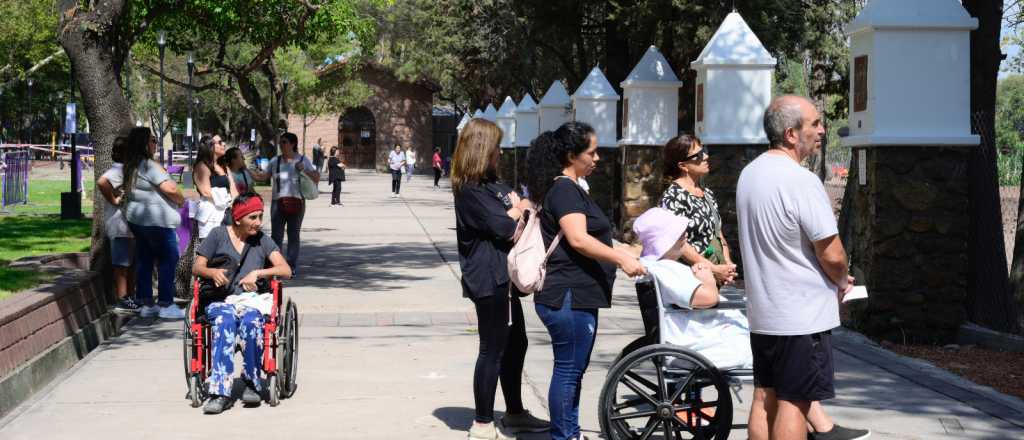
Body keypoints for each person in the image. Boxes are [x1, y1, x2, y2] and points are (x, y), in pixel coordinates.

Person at [737, 95, 868, 440]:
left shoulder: (749, 174)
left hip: (764, 310)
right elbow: (832, 252)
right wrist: (841, 280)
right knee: (794, 401)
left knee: (765, 392)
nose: (822, 130)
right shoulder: (801, 180)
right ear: (791, 134)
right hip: (800, 313)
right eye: (814, 124)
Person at [524, 122, 646, 440]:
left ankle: (570, 432)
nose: (597, 159)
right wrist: (620, 258)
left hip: (575, 295)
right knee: (568, 370)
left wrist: (629, 250)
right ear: (571, 155)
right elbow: (578, 239)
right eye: (591, 153)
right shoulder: (564, 189)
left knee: (572, 370)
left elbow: (590, 237)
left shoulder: (571, 188)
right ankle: (564, 435)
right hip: (568, 296)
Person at [453, 119, 548, 440]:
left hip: (504, 278)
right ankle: (481, 422)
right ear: (482, 149)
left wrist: (518, 207)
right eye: (496, 147)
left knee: (516, 343)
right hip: (488, 278)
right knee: (492, 349)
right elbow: (505, 227)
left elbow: (521, 206)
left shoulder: (493, 183)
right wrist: (518, 208)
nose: (501, 153)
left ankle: (515, 412)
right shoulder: (470, 190)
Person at [192, 193, 292, 414]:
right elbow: (197, 267)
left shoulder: (262, 240)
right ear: (238, 219)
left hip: (251, 301)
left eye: (260, 216)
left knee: (251, 322)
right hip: (220, 299)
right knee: (225, 321)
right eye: (253, 217)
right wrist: (212, 272)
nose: (258, 222)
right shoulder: (218, 235)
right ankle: (220, 392)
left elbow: (285, 270)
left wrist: (258, 272)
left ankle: (252, 381)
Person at [122, 127, 186, 319]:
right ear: (144, 144)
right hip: (157, 221)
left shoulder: (131, 165)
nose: (155, 144)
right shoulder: (149, 165)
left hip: (137, 220)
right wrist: (181, 199)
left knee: (145, 260)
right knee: (169, 259)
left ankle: (146, 303)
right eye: (153, 140)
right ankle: (166, 304)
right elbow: (171, 188)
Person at [659, 135, 737, 285]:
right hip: (689, 279)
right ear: (683, 165)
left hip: (711, 276)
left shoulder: (706, 193)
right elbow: (679, 243)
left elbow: (717, 232)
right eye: (699, 155)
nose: (706, 157)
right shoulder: (674, 197)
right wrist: (714, 269)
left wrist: (726, 263)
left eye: (705, 151)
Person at [251, 132, 319, 272]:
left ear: (292, 144)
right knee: (276, 236)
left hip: (297, 202)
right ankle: (277, 265)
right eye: (280, 142)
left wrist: (304, 170)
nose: (281, 145)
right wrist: (246, 170)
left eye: (284, 142)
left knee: (293, 235)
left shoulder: (302, 160)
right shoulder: (275, 161)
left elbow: (316, 178)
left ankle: (291, 266)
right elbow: (262, 177)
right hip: (278, 203)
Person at [96, 132, 138, 313]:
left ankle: (130, 297)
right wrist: (114, 200)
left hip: (130, 226)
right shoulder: (116, 171)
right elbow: (102, 182)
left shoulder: (127, 171)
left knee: (130, 264)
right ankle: (122, 299)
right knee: (121, 264)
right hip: (119, 225)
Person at [193, 135, 238, 238]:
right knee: (210, 251)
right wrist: (228, 200)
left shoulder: (224, 167)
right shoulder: (202, 166)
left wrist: (236, 205)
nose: (224, 144)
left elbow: (233, 189)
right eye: (220, 142)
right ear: (210, 145)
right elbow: (206, 192)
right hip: (210, 219)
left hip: (228, 215)